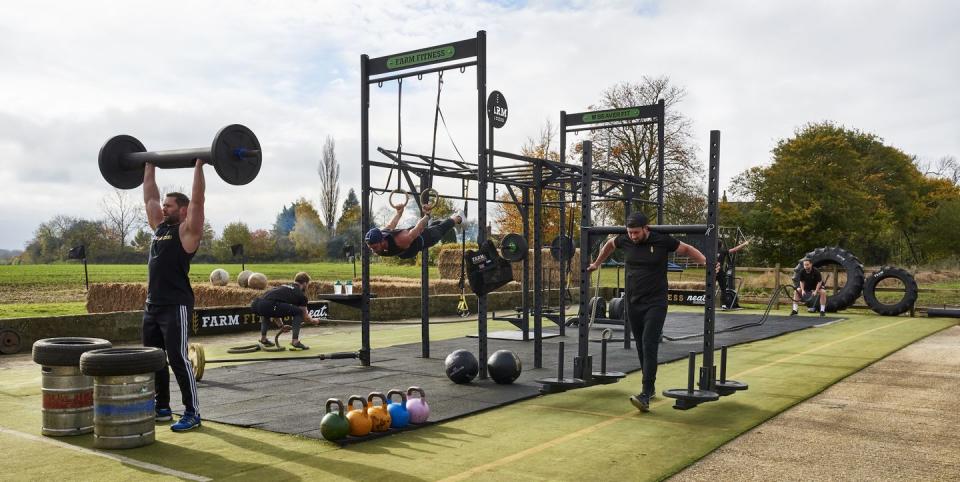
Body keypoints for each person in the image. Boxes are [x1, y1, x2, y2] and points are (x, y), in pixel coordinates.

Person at [587, 212, 707, 412]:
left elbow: (686, 248)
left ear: (646, 228)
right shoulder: (624, 240)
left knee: (649, 343)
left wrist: (706, 262)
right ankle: (650, 387)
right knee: (641, 346)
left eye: (636, 232)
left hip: (656, 302)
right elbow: (609, 245)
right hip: (633, 302)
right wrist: (597, 264)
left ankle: (644, 395)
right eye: (630, 232)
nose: (633, 236)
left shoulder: (661, 240)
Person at [142, 160, 204, 432]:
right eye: (164, 205)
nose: (162, 207)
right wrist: (149, 165)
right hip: (152, 305)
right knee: (154, 358)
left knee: (177, 358)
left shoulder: (187, 232)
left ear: (182, 209)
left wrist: (199, 165)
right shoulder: (159, 228)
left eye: (168, 205)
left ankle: (192, 412)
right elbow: (149, 197)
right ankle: (162, 407)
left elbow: (199, 201)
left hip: (175, 304)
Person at [365, 196, 462, 259]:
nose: (373, 250)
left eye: (374, 247)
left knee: (441, 229)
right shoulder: (383, 235)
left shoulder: (402, 240)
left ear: (382, 241)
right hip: (413, 242)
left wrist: (427, 215)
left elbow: (418, 229)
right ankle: (453, 221)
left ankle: (459, 217)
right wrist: (399, 213)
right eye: (371, 248)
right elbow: (391, 225)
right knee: (436, 225)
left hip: (425, 238)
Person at [250, 272, 323, 350]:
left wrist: (281, 326)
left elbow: (273, 309)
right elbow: (305, 317)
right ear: (305, 283)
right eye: (308, 284)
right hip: (269, 305)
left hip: (256, 305)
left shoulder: (283, 286)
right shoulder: (301, 295)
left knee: (266, 312)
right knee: (298, 312)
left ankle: (263, 339)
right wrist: (313, 321)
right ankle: (295, 341)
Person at [716, 238, 750, 309]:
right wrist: (744, 244)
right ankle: (723, 305)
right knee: (723, 289)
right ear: (721, 245)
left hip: (712, 271)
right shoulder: (723, 251)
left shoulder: (711, 251)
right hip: (720, 272)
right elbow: (735, 249)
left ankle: (708, 304)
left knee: (710, 287)